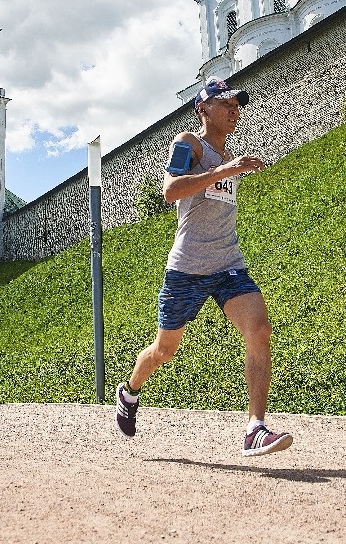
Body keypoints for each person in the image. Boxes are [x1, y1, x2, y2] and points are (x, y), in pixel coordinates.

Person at [115, 79, 293, 457]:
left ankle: (255, 429)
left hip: (228, 263)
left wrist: (229, 168)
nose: (234, 109)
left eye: (237, 104)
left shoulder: (231, 157)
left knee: (260, 330)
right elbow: (171, 190)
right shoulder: (188, 143)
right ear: (203, 109)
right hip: (187, 268)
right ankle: (129, 392)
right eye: (224, 102)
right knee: (164, 351)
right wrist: (224, 170)